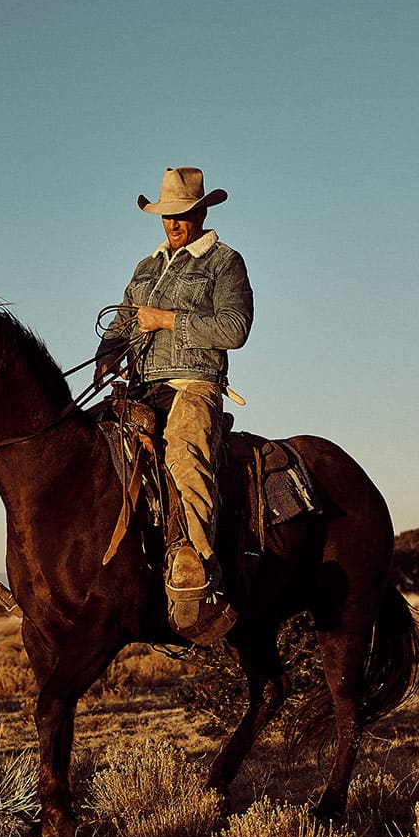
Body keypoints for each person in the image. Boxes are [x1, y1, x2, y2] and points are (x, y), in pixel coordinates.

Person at [96, 166, 252, 644]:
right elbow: (124, 321)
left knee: (183, 453)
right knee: (84, 448)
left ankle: (200, 574)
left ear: (201, 211)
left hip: (193, 384)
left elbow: (235, 328)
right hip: (140, 387)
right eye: (168, 216)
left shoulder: (225, 262)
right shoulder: (145, 268)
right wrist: (109, 349)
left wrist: (166, 320)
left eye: (183, 214)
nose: (175, 223)